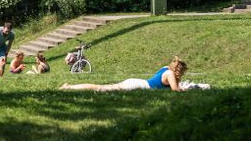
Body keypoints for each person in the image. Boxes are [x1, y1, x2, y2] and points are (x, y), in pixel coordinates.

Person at [60, 56, 188, 92]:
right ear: (179, 70)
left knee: (103, 87)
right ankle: (69, 87)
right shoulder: (170, 74)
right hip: (136, 85)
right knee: (101, 88)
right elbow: (175, 90)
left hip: (136, 82)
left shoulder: (165, 68)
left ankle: (70, 86)